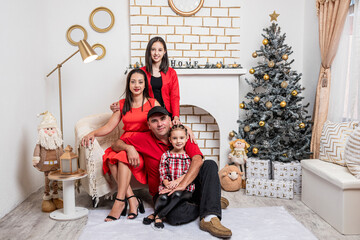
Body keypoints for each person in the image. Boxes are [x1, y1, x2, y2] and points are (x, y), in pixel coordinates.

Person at [110, 106, 232, 238]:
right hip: (163, 192)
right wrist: (129, 148)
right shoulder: (143, 138)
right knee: (174, 218)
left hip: (188, 187)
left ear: (170, 120)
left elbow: (197, 160)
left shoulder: (180, 135)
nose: (160, 124)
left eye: (163, 119)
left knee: (209, 164)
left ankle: (210, 217)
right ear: (149, 125)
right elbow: (115, 144)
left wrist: (182, 185)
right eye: (154, 121)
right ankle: (208, 201)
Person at [82, 68, 160, 222]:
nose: (136, 85)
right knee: (114, 158)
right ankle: (131, 199)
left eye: (140, 81)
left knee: (118, 159)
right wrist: (93, 133)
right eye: (133, 81)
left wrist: (184, 128)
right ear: (128, 84)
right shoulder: (122, 104)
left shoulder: (152, 103)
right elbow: (109, 127)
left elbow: (163, 123)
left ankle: (120, 202)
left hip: (144, 144)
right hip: (126, 142)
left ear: (145, 85)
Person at [111, 36, 181, 125]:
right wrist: (118, 105)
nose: (156, 53)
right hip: (147, 114)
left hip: (167, 114)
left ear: (164, 52)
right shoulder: (141, 72)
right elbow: (134, 93)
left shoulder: (171, 72)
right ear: (149, 51)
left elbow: (175, 97)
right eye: (153, 50)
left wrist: (175, 116)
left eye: (160, 50)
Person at [145, 124, 195, 229]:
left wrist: (177, 182)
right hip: (169, 186)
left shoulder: (187, 156)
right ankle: (158, 214)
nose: (178, 141)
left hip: (185, 189)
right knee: (162, 198)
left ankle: (158, 215)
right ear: (170, 140)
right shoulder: (166, 156)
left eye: (181, 138)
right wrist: (167, 184)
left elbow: (188, 172)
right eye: (175, 138)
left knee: (176, 195)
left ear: (186, 139)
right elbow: (163, 172)